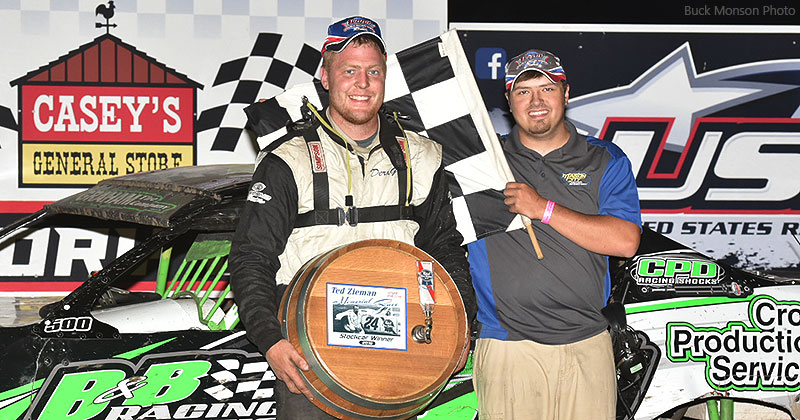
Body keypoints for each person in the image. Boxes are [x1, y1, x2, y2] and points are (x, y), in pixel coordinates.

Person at [229, 16, 476, 420]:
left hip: (404, 361)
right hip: (311, 365)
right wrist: (270, 340)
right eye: (349, 71)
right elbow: (250, 258)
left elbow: (445, 248)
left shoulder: (420, 156)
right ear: (325, 77)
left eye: (373, 71)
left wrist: (461, 322)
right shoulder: (287, 161)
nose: (362, 83)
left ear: (384, 78)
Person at [467, 49, 642, 419]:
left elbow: (625, 241)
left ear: (566, 94)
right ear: (509, 101)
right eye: (523, 91)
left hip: (587, 341)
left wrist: (543, 208)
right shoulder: (481, 164)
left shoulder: (604, 159)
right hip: (507, 346)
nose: (536, 101)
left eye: (546, 89)